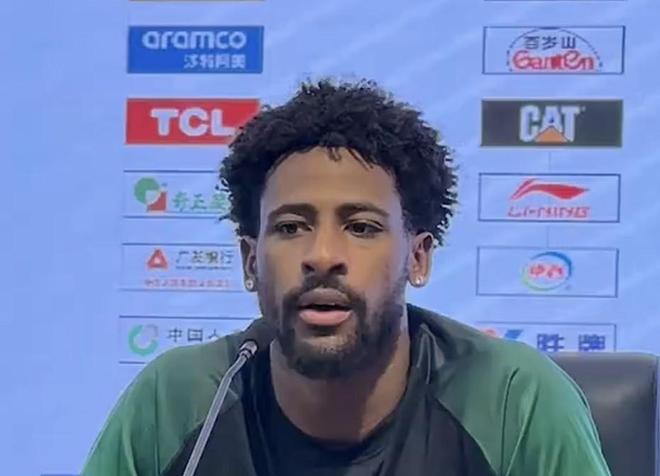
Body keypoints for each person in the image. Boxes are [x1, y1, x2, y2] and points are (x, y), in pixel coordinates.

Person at [82, 79, 611, 476]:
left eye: (361, 227)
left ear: (418, 257)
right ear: (250, 261)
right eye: (291, 227)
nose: (322, 256)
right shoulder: (177, 403)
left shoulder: (515, 402)